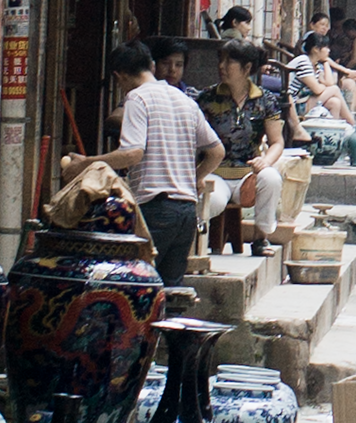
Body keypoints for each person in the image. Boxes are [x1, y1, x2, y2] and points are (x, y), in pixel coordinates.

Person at [62, 41, 223, 287]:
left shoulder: (136, 98)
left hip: (156, 208)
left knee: (140, 289)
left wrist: (86, 163)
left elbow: (132, 154)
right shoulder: (184, 100)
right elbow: (216, 151)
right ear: (151, 65)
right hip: (187, 212)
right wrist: (195, 178)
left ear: (119, 76)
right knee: (169, 291)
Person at [198, 38, 290, 256]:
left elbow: (277, 142)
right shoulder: (207, 98)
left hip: (247, 178)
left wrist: (265, 161)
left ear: (247, 68)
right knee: (214, 202)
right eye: (221, 61)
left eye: (228, 62)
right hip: (214, 175)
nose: (221, 67)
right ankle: (198, 245)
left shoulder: (266, 100)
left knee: (271, 178)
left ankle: (260, 239)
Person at [287, 32, 353, 125]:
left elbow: (329, 83)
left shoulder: (316, 65)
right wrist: (322, 86)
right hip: (295, 105)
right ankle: (352, 123)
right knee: (334, 89)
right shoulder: (303, 61)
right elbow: (317, 89)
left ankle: (332, 134)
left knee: (335, 102)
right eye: (326, 47)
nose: (328, 50)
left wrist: (326, 62)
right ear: (316, 49)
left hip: (305, 101)